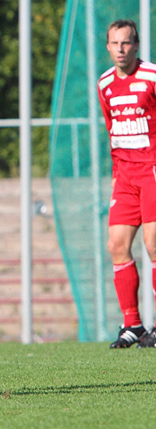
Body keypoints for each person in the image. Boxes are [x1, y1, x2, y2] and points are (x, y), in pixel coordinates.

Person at [97, 19, 156, 348]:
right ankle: (132, 325)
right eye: (115, 44)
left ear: (137, 45)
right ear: (108, 46)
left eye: (127, 43)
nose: (121, 49)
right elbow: (111, 125)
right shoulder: (104, 83)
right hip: (124, 176)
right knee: (117, 247)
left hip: (152, 170)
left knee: (153, 245)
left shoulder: (152, 76)